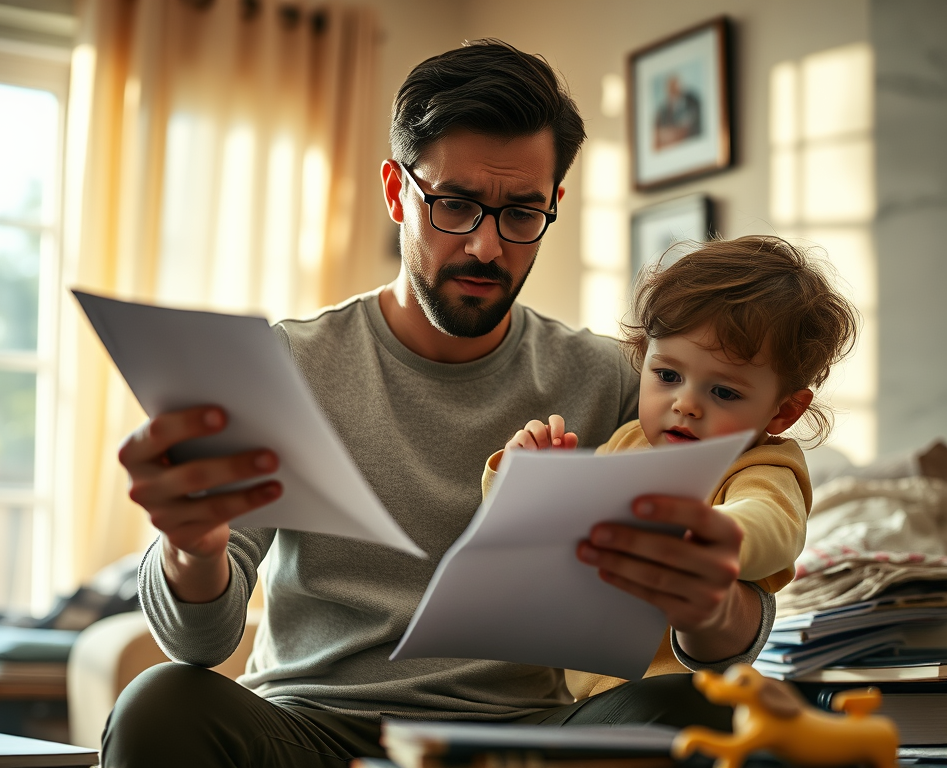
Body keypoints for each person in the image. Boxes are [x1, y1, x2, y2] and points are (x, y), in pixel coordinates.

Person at [103, 40, 778, 768]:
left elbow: (715, 638)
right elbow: (199, 644)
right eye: (455, 205)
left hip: (524, 738)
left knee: (702, 711)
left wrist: (713, 609)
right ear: (397, 190)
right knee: (160, 701)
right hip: (314, 729)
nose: (488, 248)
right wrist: (189, 549)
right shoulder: (289, 363)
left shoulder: (615, 378)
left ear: (554, 203)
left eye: (522, 212)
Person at [481, 236, 859, 697]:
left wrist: (708, 531)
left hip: (686, 699)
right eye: (668, 376)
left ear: (782, 412)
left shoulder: (759, 466)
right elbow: (551, 541)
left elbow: (772, 524)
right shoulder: (628, 443)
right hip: (587, 704)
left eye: (724, 392)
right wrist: (528, 480)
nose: (685, 404)